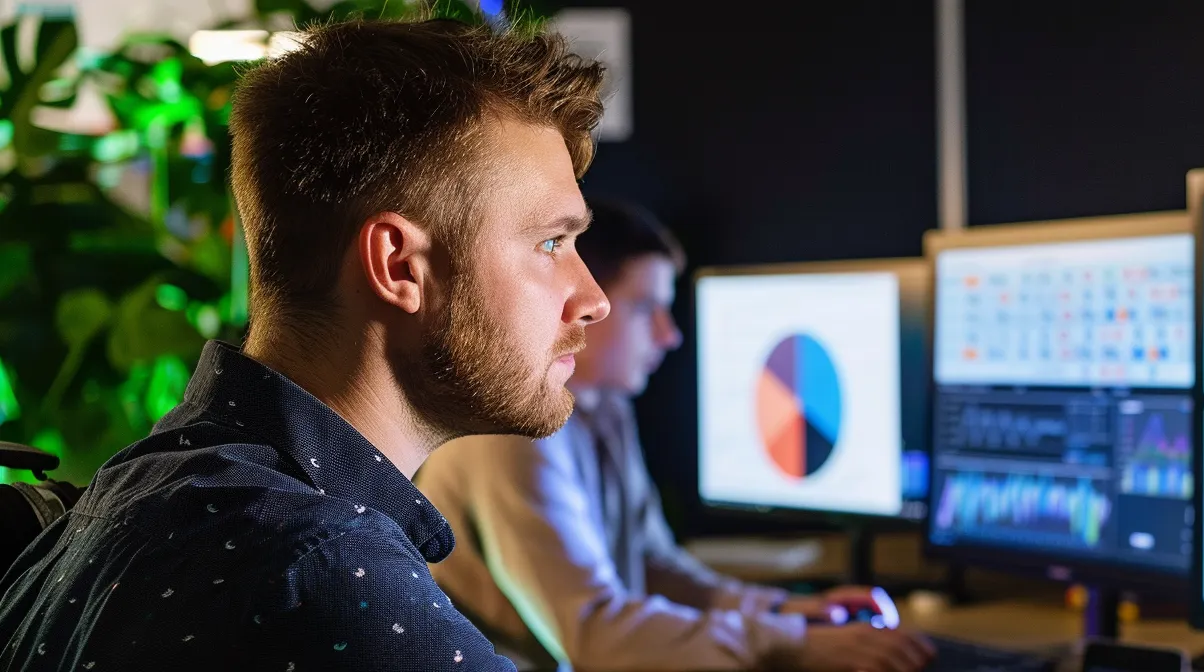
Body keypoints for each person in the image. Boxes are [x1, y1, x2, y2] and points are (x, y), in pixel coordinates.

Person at [0, 16, 608, 671]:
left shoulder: (132, 489)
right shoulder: (326, 567)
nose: (593, 297)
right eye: (551, 243)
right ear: (400, 266)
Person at [414, 200, 936, 672]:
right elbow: (592, 634)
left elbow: (652, 566)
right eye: (647, 309)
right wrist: (790, 643)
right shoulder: (511, 432)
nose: (670, 334)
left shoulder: (603, 407)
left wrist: (782, 611)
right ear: (581, 306)